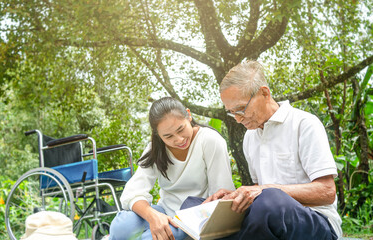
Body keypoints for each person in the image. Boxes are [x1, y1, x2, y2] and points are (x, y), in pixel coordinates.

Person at [205, 60, 342, 239]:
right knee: (196, 206)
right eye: (232, 113)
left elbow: (327, 192)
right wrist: (237, 195)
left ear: (264, 93)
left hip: (317, 222)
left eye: (241, 109)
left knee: (270, 200)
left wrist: (267, 189)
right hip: (269, 217)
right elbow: (258, 188)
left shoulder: (304, 124)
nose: (238, 119)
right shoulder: (250, 136)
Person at [109, 97, 235, 240]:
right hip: (165, 211)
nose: (179, 139)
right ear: (158, 134)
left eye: (181, 129)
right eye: (168, 136)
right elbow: (132, 193)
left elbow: (222, 194)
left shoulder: (209, 140)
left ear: (188, 115)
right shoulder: (156, 149)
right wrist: (153, 216)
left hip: (196, 214)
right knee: (121, 227)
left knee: (150, 238)